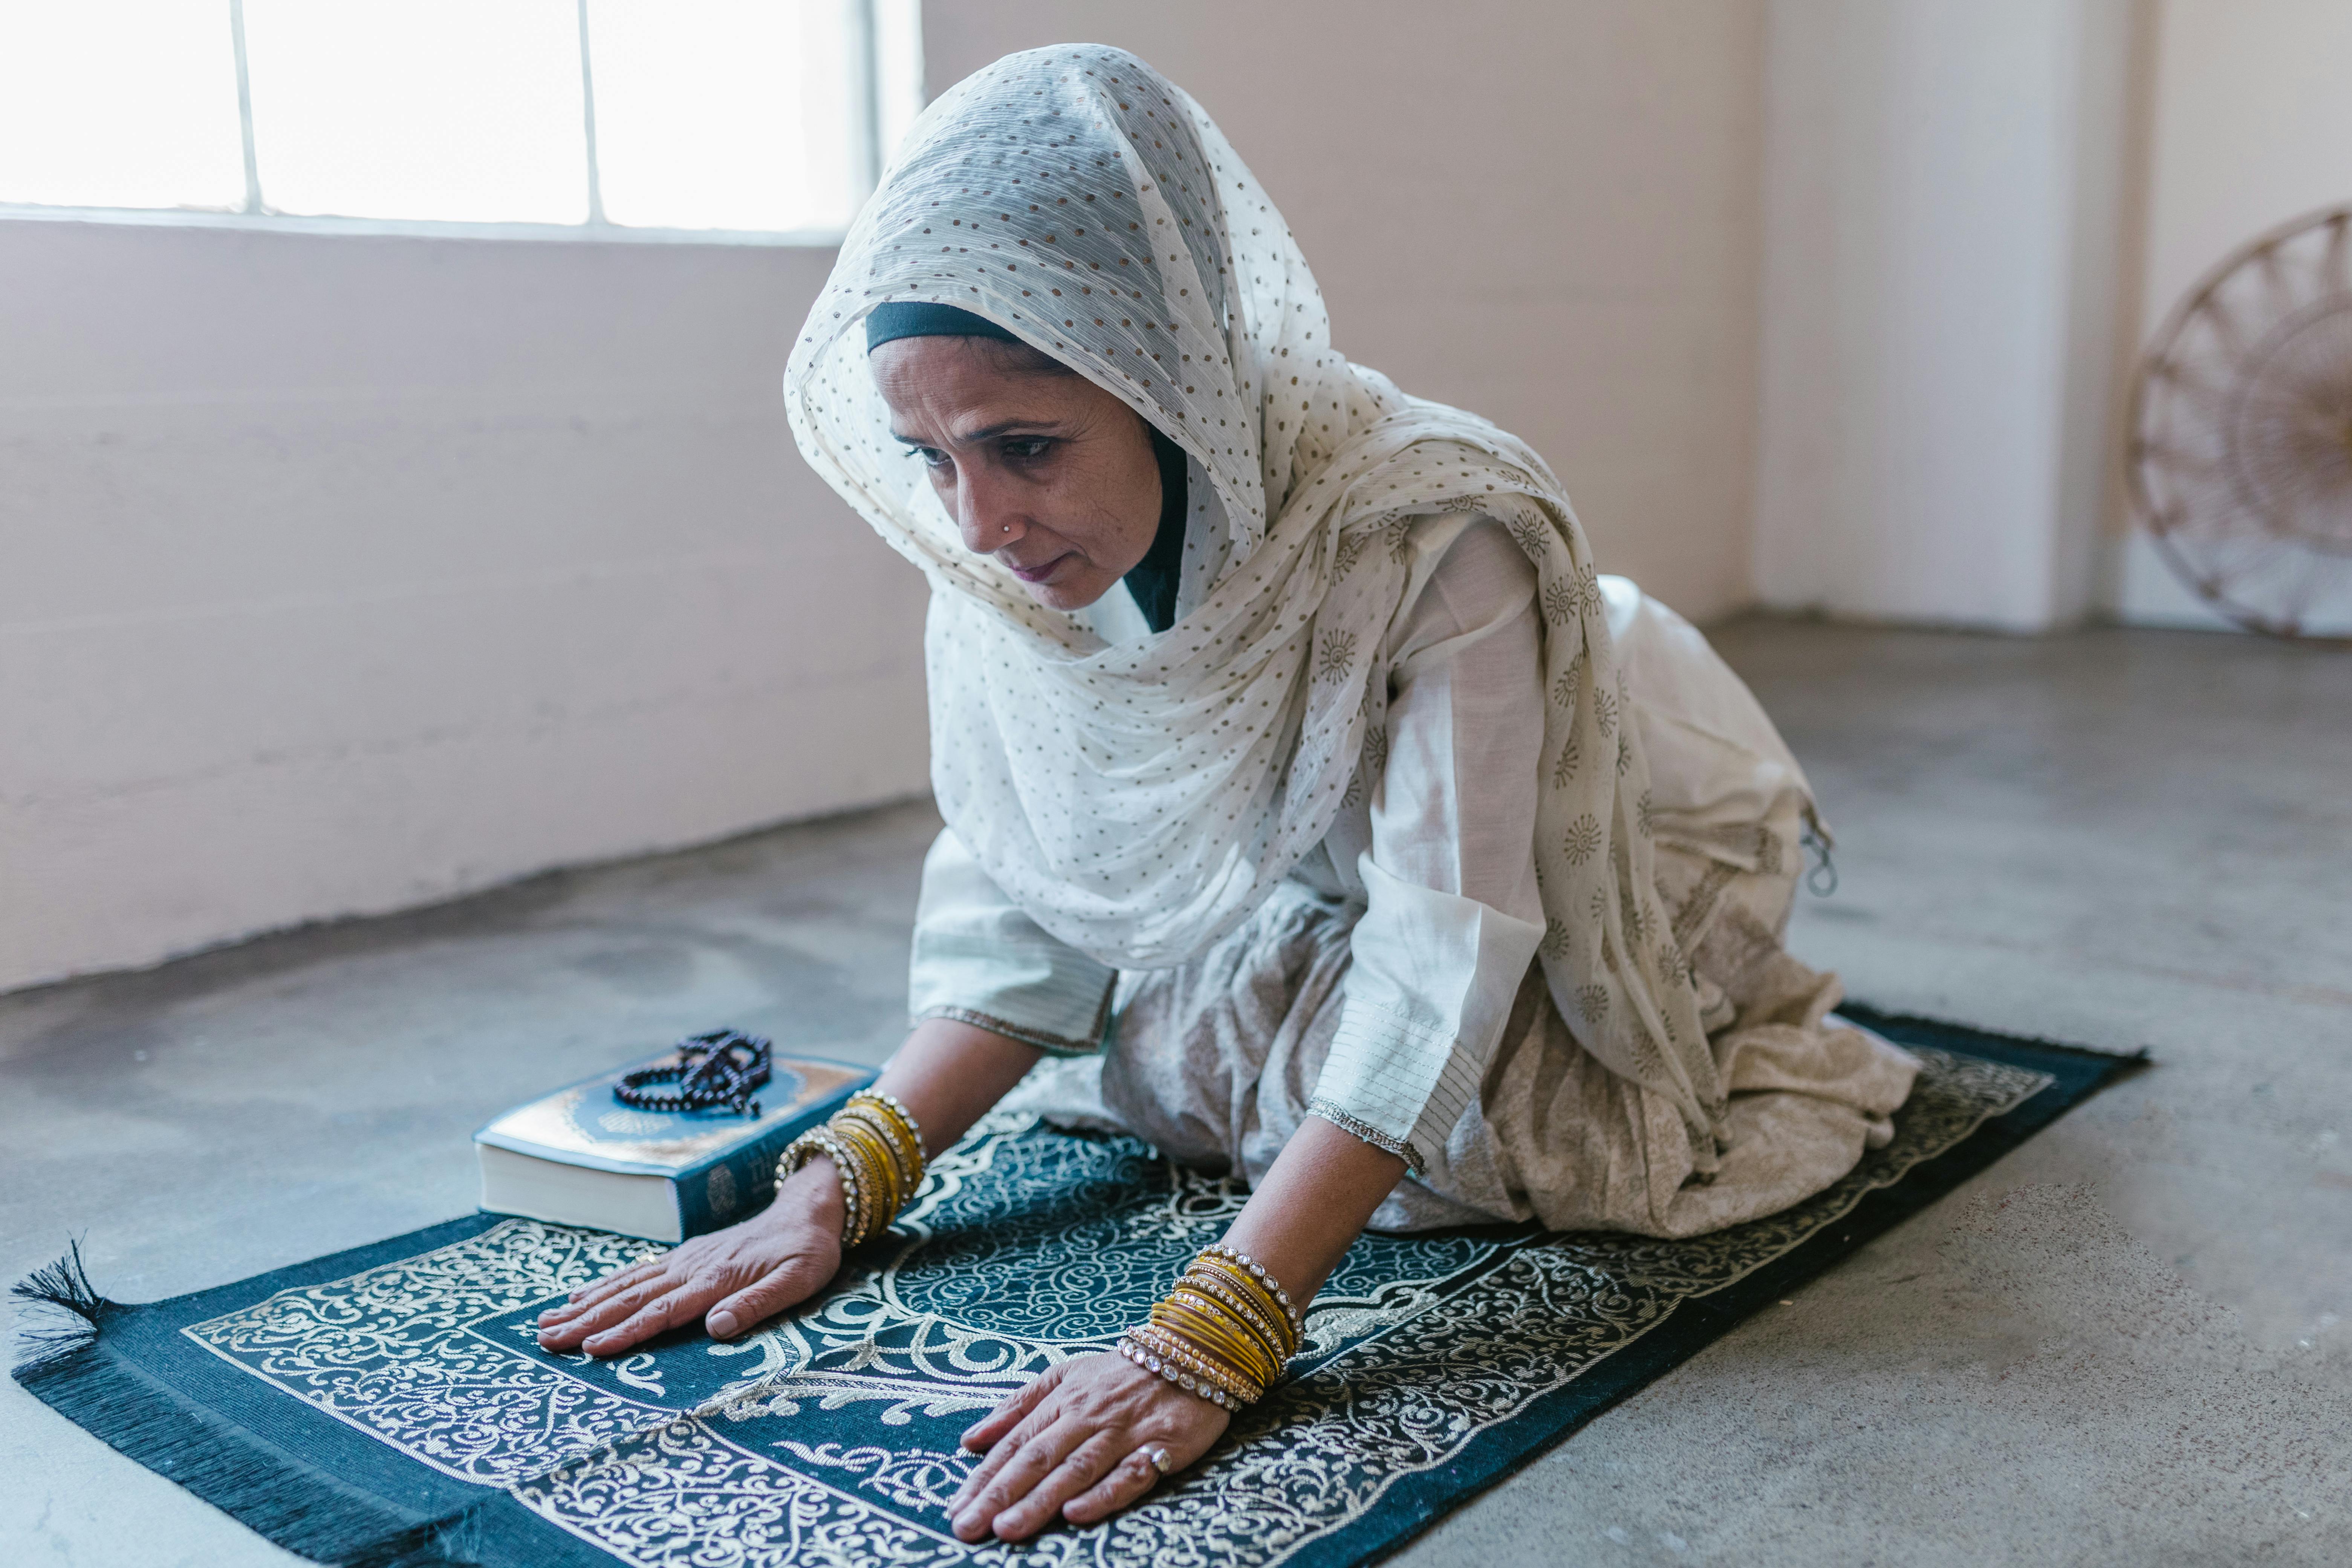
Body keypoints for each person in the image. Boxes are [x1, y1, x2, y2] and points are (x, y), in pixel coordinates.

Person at [535, 44, 1918, 1545]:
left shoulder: (1431, 529)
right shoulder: (1007, 557)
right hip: (1329, 866)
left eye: (1026, 446)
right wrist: (837, 1188)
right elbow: (1036, 896)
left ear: (1161, 373)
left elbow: (1445, 942)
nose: (980, 518)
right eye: (928, 457)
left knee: (1485, 1129)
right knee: (1149, 1053)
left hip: (1628, 838)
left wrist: (1219, 1327)